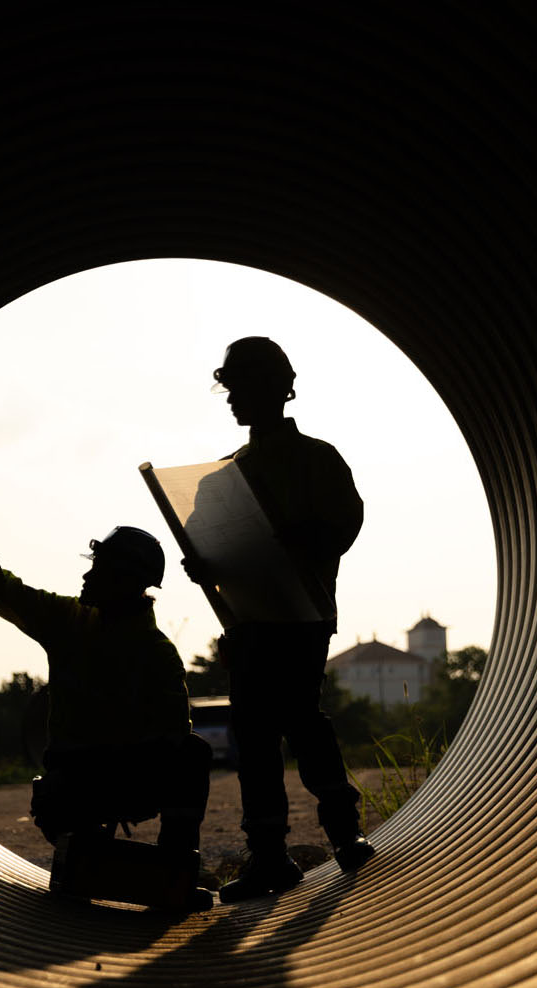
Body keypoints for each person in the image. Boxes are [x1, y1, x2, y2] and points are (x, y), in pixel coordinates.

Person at [0, 491, 212, 904]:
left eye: (98, 569)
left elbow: (173, 742)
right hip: (78, 792)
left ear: (124, 581)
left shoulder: (99, 634)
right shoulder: (90, 628)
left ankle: (172, 874)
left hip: (93, 789)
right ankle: (160, 874)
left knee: (190, 753)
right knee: (189, 755)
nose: (87, 576)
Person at [183, 336, 376, 903]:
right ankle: (270, 856)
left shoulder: (317, 459)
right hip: (249, 622)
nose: (233, 399)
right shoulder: (220, 479)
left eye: (242, 386)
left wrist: (291, 537)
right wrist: (202, 562)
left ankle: (343, 834)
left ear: (278, 388)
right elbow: (206, 549)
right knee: (255, 734)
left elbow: (341, 528)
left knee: (300, 721)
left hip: (301, 616)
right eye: (230, 389)